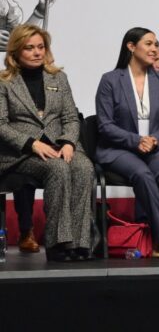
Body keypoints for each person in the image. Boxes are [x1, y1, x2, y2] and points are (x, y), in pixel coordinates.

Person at [0, 25, 94, 262]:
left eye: (41, 47)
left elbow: (71, 117)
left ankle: (79, 243)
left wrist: (69, 142)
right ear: (16, 52)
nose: (37, 52)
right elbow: (1, 125)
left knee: (83, 167)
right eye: (29, 48)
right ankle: (58, 243)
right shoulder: (4, 82)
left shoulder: (58, 78)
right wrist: (31, 144)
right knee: (57, 168)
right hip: (21, 153)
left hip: (59, 145)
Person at [95, 27, 159, 258]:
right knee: (142, 174)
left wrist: (154, 139)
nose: (155, 49)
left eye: (157, 44)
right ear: (131, 47)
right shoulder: (110, 80)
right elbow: (105, 125)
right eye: (149, 44)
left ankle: (152, 235)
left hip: (156, 145)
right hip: (120, 148)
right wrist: (136, 141)